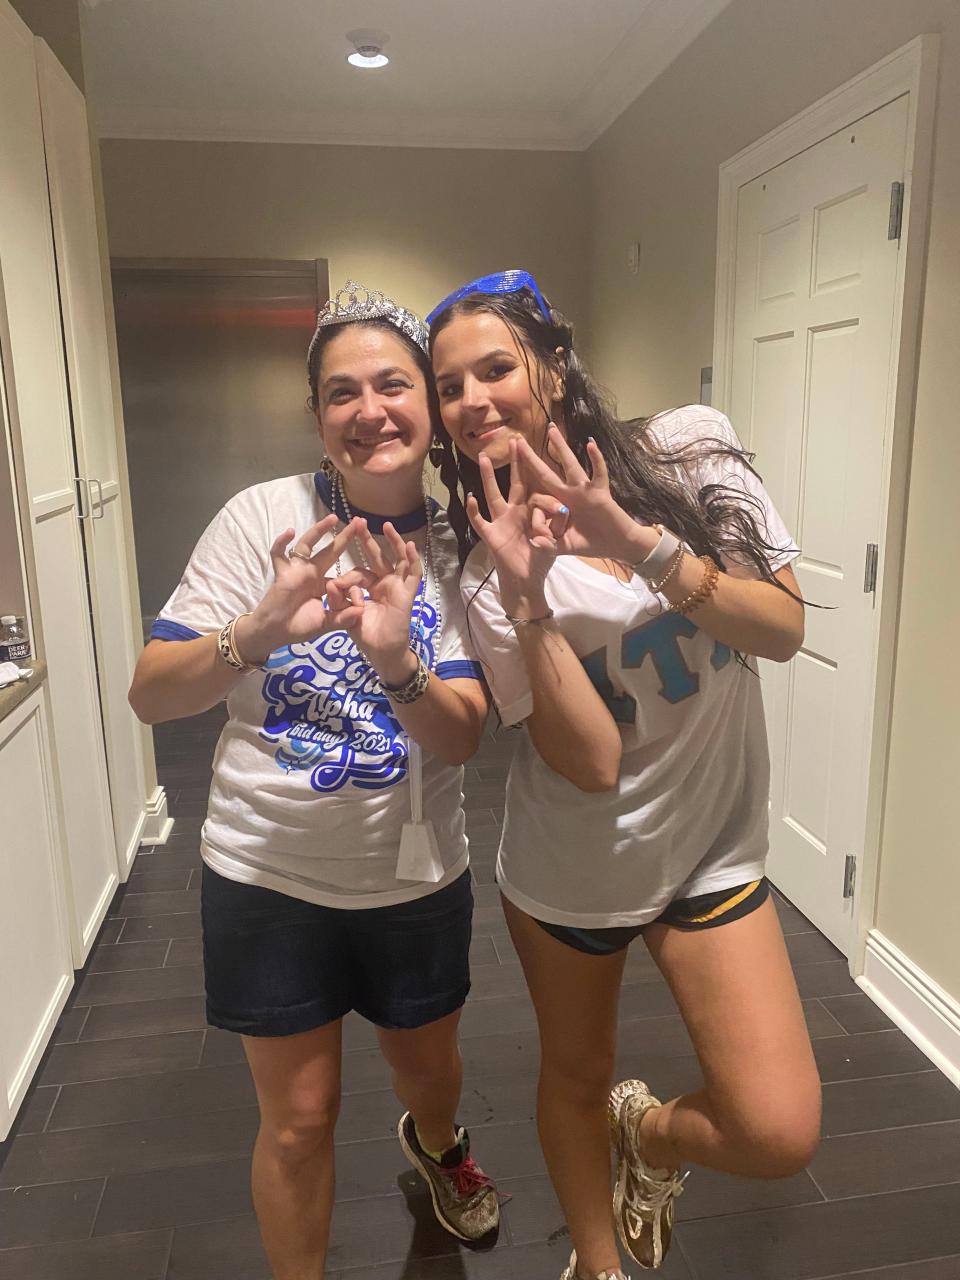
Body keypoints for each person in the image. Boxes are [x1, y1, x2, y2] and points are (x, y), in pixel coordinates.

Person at [425, 269, 822, 1279]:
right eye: (449, 384)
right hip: (576, 865)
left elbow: (780, 627)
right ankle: (597, 1265)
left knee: (779, 1129)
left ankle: (645, 1135)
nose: (472, 399)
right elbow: (592, 762)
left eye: (496, 367)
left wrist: (641, 546)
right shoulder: (479, 566)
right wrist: (529, 601)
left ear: (553, 369)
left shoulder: (692, 447)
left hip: (713, 846)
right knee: (575, 1070)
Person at [128, 281, 500, 1280]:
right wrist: (254, 631)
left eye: (391, 384)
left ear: (430, 406)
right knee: (297, 1123)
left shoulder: (469, 543)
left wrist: (394, 659)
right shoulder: (263, 519)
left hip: (417, 880)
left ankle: (439, 1146)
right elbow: (153, 693)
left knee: (428, 1075)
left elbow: (462, 737)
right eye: (341, 392)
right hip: (266, 876)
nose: (368, 408)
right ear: (317, 416)